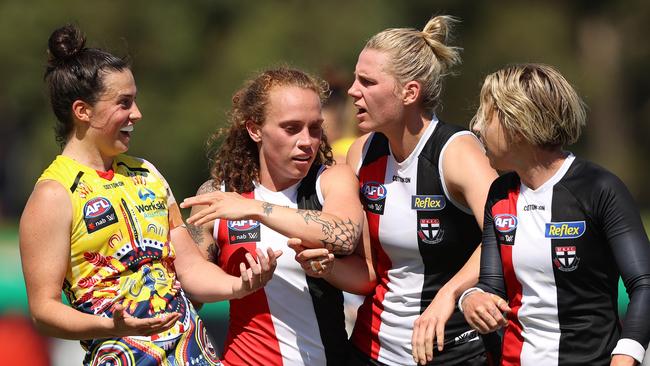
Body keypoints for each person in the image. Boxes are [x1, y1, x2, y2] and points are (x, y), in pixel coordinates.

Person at [19, 24, 280, 366]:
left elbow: (188, 268)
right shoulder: (53, 194)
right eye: (123, 103)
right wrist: (109, 326)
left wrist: (240, 286)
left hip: (195, 354)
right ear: (83, 111)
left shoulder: (147, 173)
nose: (137, 114)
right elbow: (43, 310)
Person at [309, 15, 500, 365]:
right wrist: (325, 264)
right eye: (355, 79)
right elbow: (363, 266)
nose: (352, 91)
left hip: (452, 352)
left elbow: (506, 232)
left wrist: (449, 295)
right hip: (371, 349)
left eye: (367, 82)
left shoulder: (455, 152)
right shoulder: (361, 153)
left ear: (410, 92)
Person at [459, 63, 650, 366]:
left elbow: (644, 284)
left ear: (517, 124)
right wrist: (469, 299)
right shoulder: (499, 194)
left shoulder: (600, 188)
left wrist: (626, 357)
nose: (477, 127)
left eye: (486, 115)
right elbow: (491, 288)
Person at [179, 67, 365, 365]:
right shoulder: (218, 195)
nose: (307, 141)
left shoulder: (331, 180)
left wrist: (257, 209)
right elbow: (191, 287)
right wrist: (239, 287)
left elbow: (344, 233)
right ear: (255, 129)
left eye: (315, 128)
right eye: (291, 128)